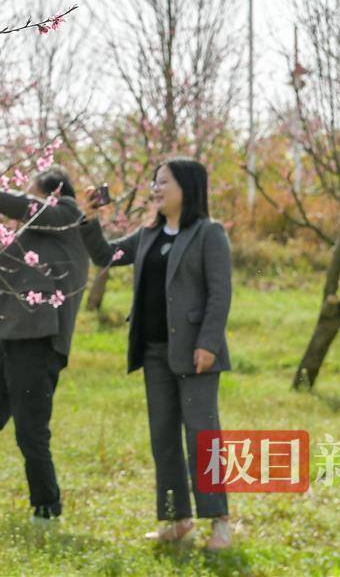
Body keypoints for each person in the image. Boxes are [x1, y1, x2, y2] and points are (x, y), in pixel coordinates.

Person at [77, 158, 234, 551]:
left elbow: (220, 294)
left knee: (203, 436)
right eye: (154, 182)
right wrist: (89, 219)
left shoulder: (209, 234)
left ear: (187, 188)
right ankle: (176, 520)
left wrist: (208, 343)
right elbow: (106, 256)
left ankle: (219, 521)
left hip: (196, 352)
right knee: (163, 437)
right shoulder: (148, 234)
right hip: (153, 351)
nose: (155, 189)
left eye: (164, 182)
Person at [0, 168, 88, 523]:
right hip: (6, 338)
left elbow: (27, 207)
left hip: (38, 343)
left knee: (30, 432)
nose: (28, 199)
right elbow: (6, 278)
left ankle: (46, 508)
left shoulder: (67, 217)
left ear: (53, 194)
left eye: (32, 193)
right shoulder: (35, 236)